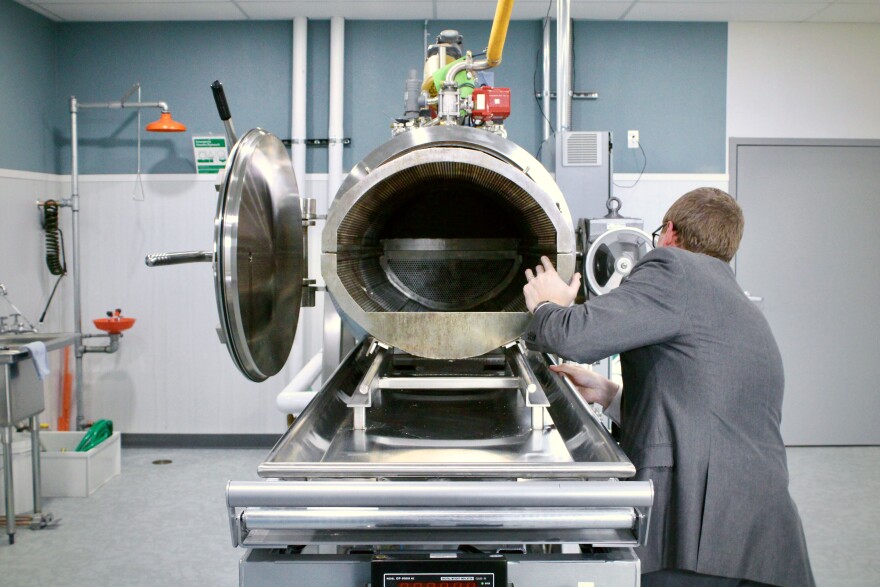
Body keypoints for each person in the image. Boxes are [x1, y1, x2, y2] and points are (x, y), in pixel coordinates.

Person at [521, 188, 815, 587]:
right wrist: (611, 396)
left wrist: (547, 306)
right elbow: (706, 403)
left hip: (697, 531)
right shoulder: (734, 299)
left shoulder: (673, 268)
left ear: (670, 233)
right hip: (759, 533)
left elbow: (574, 337)